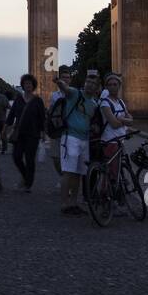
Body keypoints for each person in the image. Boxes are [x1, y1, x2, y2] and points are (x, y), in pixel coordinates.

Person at [54, 66, 97, 215]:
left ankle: (74, 202)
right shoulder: (74, 94)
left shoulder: (95, 104)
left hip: (84, 139)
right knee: (68, 172)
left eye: (93, 83)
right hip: (70, 137)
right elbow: (65, 88)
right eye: (88, 82)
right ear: (84, 83)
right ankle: (64, 204)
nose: (89, 85)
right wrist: (59, 82)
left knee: (78, 173)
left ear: (97, 87)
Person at [7, 74, 46, 191]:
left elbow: (42, 118)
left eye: (30, 83)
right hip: (19, 133)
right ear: (22, 85)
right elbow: (12, 114)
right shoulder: (18, 99)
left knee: (30, 159)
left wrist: (43, 132)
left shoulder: (38, 100)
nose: (28, 85)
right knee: (16, 157)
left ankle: (28, 184)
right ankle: (25, 176)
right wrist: (5, 128)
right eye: (26, 83)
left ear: (33, 85)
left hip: (33, 134)